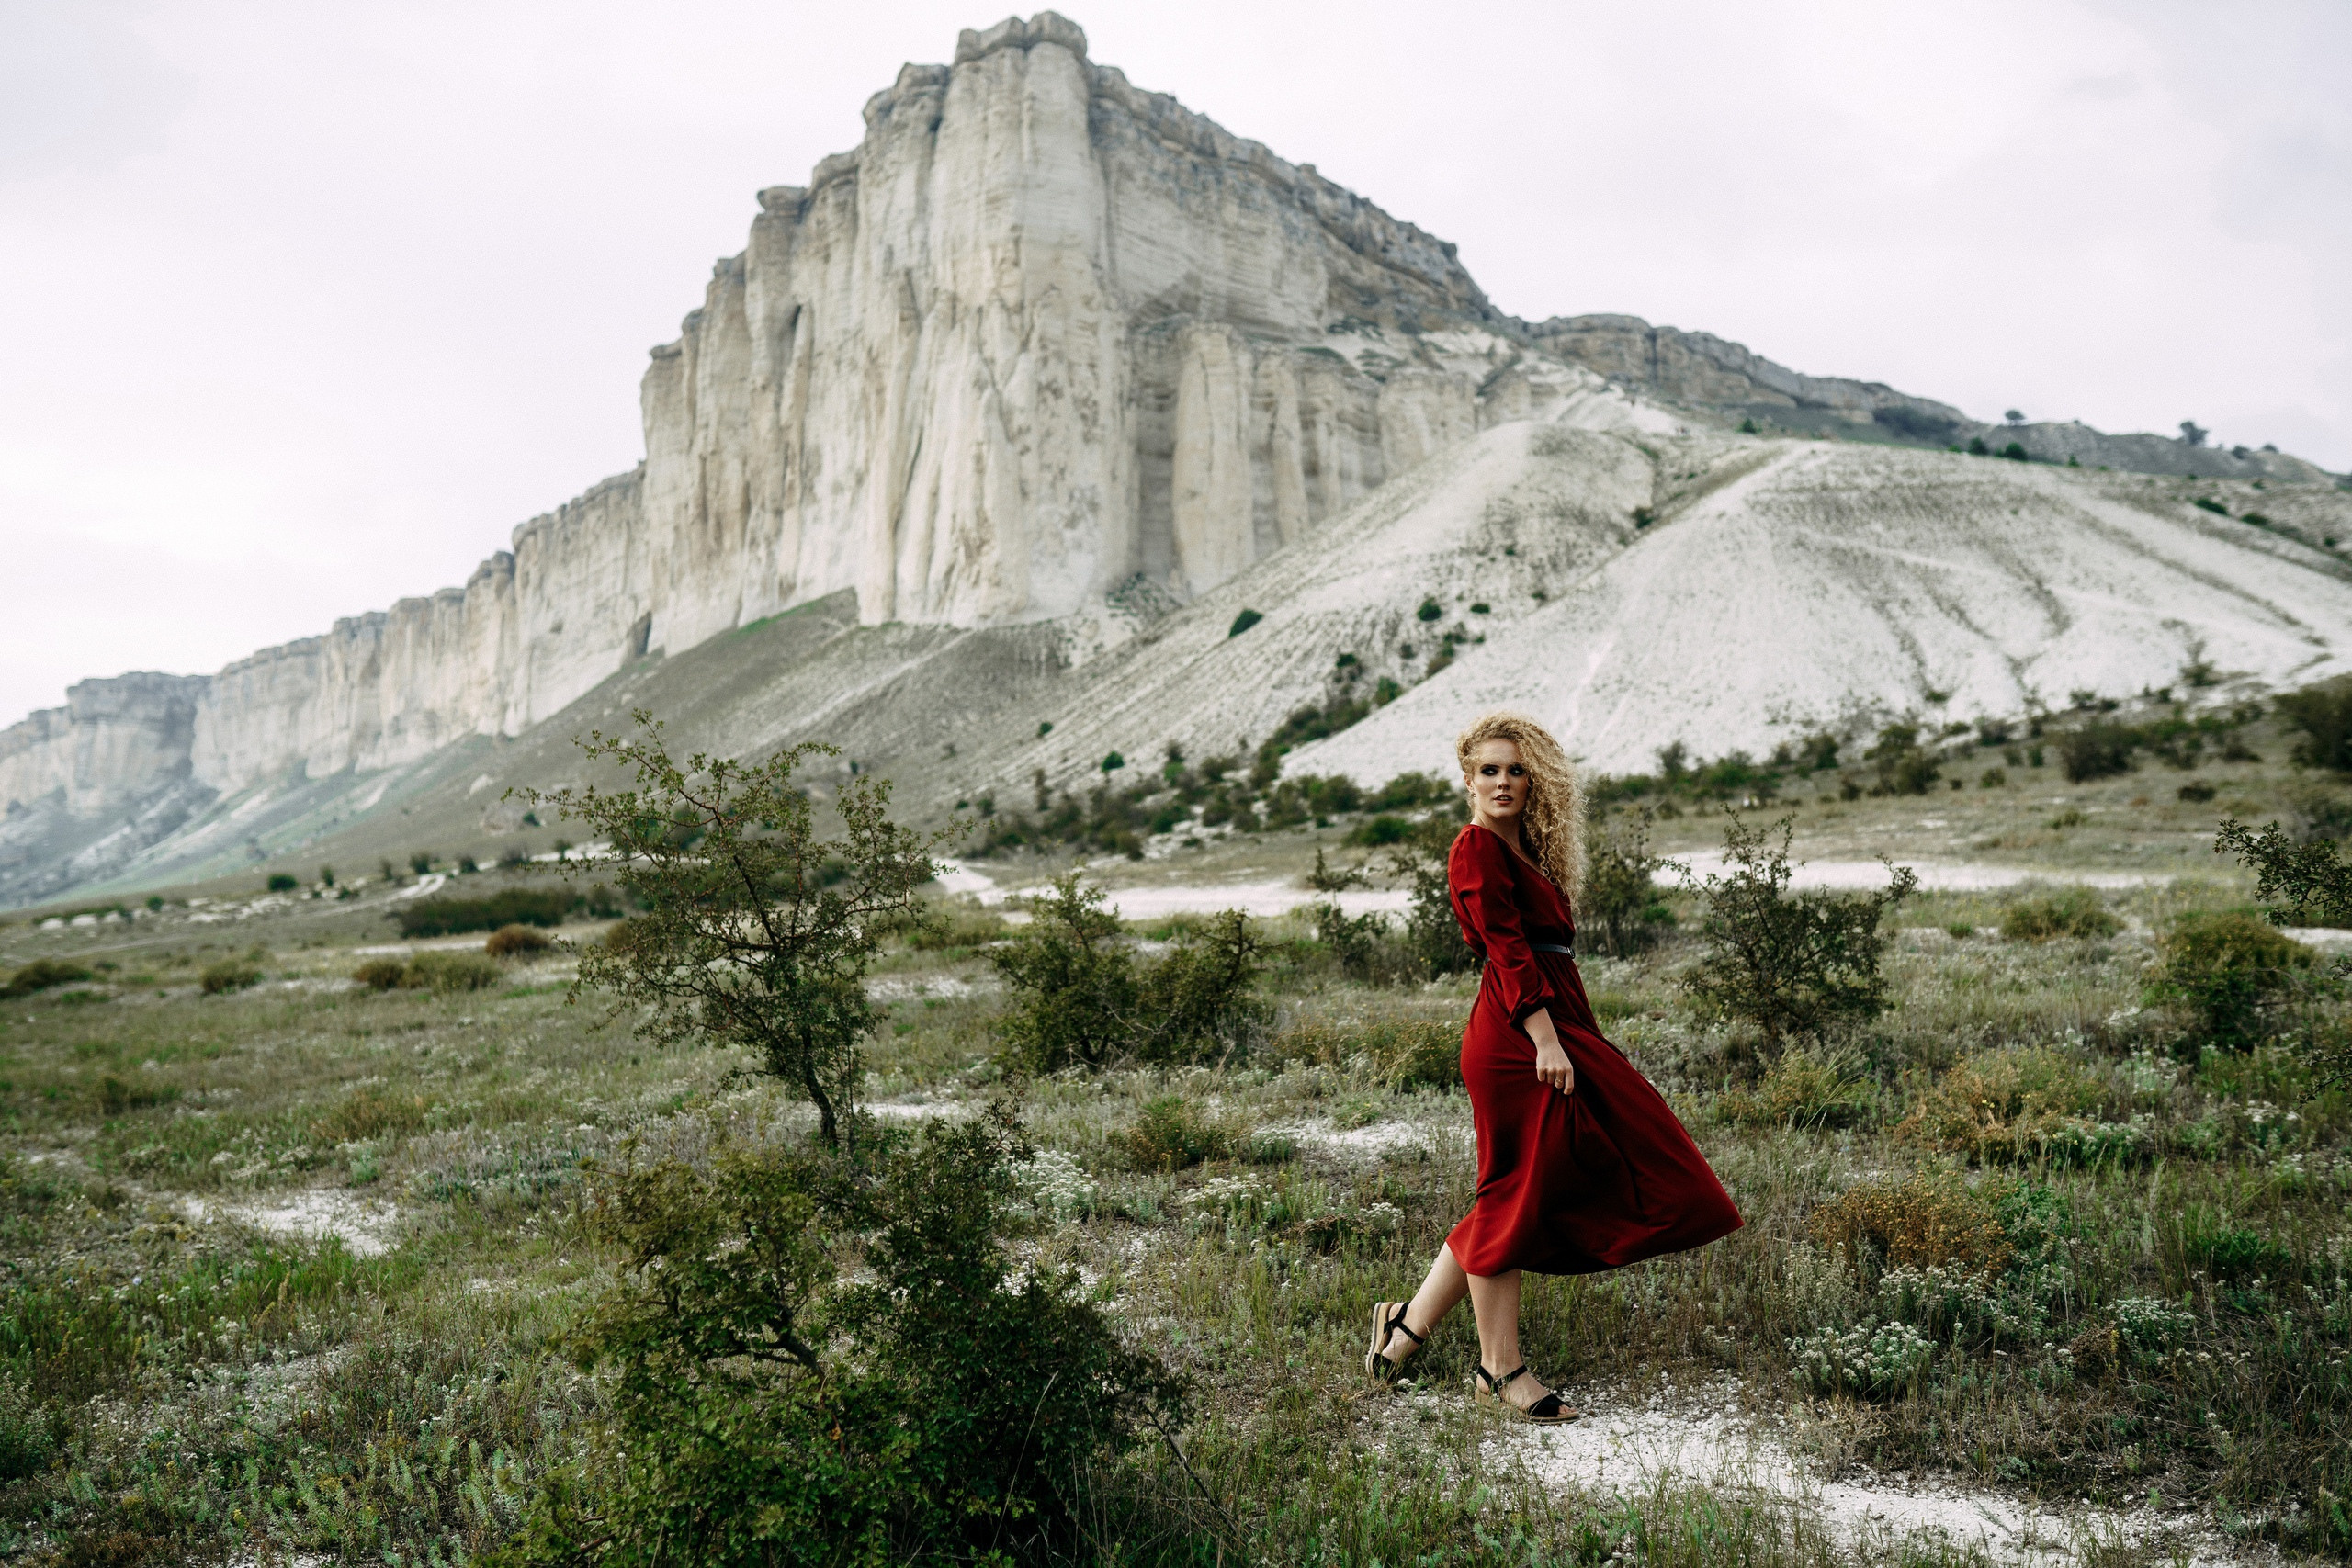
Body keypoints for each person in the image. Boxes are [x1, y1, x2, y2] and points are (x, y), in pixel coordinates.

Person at [1365, 710, 1742, 1421]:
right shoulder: (1475, 848)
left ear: (1536, 781)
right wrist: (1545, 1039)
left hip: (1555, 1024)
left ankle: (1405, 1327)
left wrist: (1570, 1033)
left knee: (1530, 1182)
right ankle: (1499, 1369)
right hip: (1517, 1036)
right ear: (1468, 779)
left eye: (1516, 770)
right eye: (1489, 770)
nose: (1503, 781)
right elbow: (1507, 951)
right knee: (1513, 1192)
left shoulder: (1525, 852)